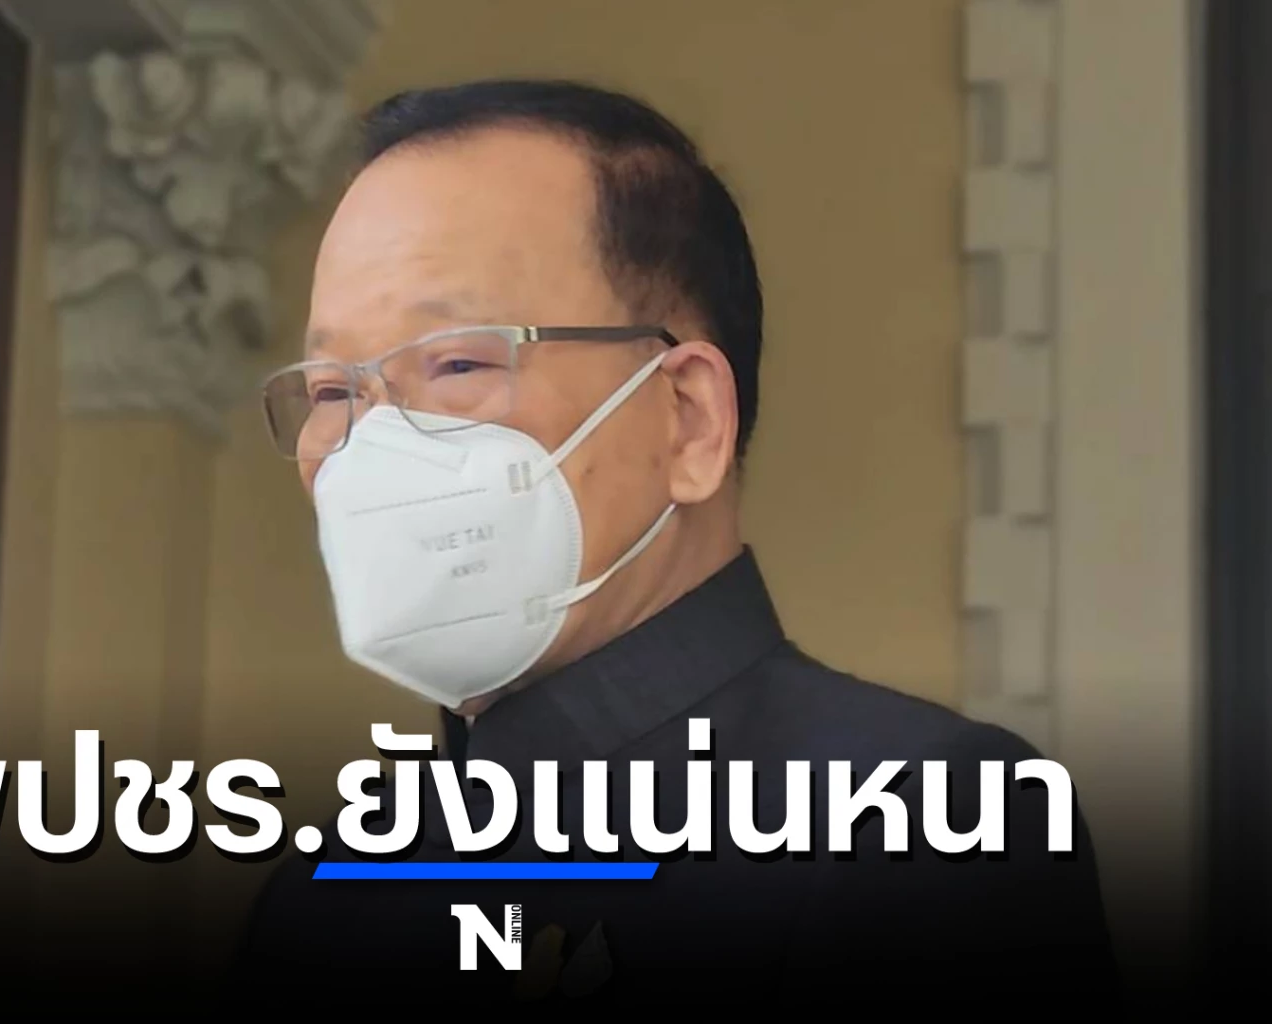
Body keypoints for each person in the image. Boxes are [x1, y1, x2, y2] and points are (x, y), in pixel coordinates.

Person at [236, 78, 1118, 1010]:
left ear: (688, 418)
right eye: (332, 392)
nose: (368, 446)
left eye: (457, 362)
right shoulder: (323, 899)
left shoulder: (921, 822)